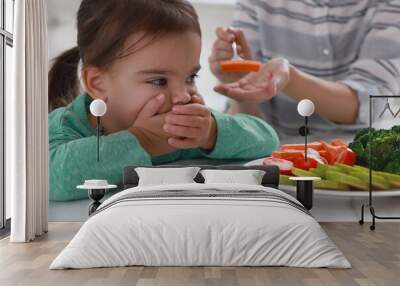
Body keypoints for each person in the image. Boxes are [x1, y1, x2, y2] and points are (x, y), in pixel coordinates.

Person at [48, 0, 280, 201]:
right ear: (98, 84)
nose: (183, 95)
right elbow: (47, 178)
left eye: (190, 77)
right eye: (159, 81)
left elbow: (267, 140)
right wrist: (143, 140)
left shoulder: (186, 129)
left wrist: (211, 132)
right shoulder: (65, 129)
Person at [210, 0, 400, 143]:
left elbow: (370, 103)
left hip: (359, 162)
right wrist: (240, 85)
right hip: (273, 158)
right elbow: (248, 126)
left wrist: (291, 79)